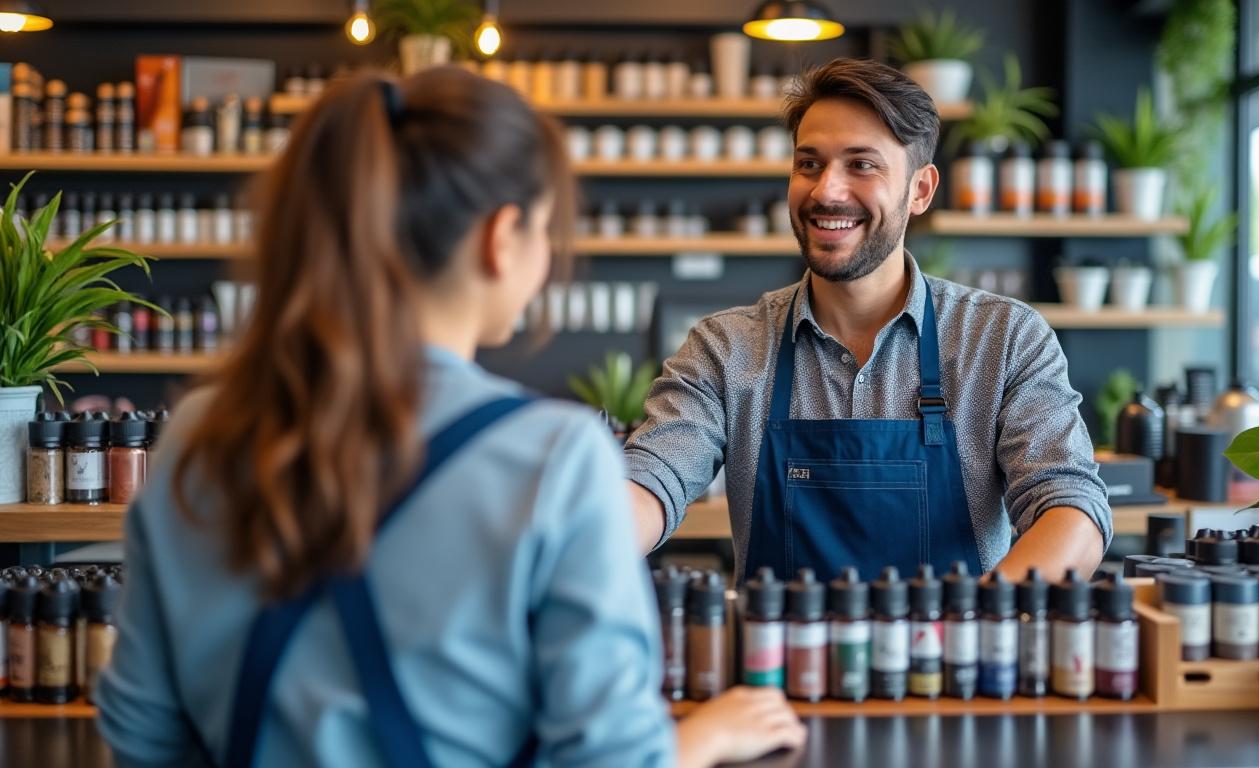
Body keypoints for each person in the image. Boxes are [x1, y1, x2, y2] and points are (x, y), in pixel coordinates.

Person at [96, 67, 804, 767]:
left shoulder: (200, 431)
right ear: (502, 238)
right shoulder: (554, 460)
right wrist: (702, 739)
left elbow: (142, 737)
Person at [625, 58, 1111, 585]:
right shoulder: (726, 348)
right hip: (776, 662)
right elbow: (652, 478)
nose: (827, 191)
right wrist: (586, 539)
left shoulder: (1004, 340)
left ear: (920, 190)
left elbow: (1072, 509)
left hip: (951, 658)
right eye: (809, 164)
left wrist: (976, 614)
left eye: (862, 164)